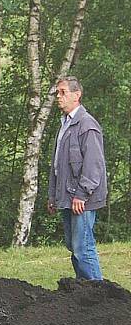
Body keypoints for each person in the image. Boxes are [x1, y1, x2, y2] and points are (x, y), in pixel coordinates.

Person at [47, 75, 107, 280]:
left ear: (77, 95)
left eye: (63, 92)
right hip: (68, 198)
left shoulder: (86, 125)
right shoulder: (64, 124)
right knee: (74, 246)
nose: (58, 97)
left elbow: (94, 165)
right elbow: (57, 165)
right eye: (57, 93)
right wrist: (53, 196)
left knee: (83, 248)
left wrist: (82, 194)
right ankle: (83, 294)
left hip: (82, 200)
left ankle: (98, 295)